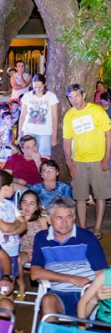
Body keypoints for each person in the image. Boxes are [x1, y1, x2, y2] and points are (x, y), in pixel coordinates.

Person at [31, 196, 107, 319]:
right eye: (59, 218)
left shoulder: (87, 238)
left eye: (69, 217)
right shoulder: (42, 238)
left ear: (74, 218)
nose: (65, 223)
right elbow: (35, 273)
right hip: (60, 294)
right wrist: (73, 279)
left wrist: (92, 292)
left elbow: (101, 273)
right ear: (49, 220)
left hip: (88, 293)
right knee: (47, 301)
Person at [62, 83, 111, 237]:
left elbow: (108, 135)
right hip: (79, 161)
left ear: (83, 95)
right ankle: (82, 228)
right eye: (70, 97)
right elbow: (67, 141)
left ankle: (97, 228)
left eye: (76, 96)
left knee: (100, 195)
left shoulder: (97, 110)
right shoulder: (69, 115)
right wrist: (69, 163)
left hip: (98, 159)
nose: (74, 100)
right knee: (80, 196)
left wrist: (106, 158)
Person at [0, 171, 27, 298]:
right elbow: (5, 227)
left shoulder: (11, 204)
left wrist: (13, 228)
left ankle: (8, 315)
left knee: (9, 287)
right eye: (12, 185)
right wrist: (15, 225)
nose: (13, 189)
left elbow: (23, 225)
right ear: (4, 187)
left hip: (13, 250)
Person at [17, 190, 48, 300]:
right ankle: (21, 286)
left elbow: (46, 241)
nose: (27, 206)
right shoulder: (16, 219)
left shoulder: (42, 220)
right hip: (25, 252)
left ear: (37, 206)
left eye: (31, 203)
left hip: (39, 253)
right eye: (24, 202)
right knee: (16, 259)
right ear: (20, 204)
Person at [18, 74, 59, 157]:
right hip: (28, 130)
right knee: (28, 157)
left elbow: (54, 118)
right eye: (35, 87)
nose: (37, 89)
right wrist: (20, 134)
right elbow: (22, 116)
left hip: (45, 132)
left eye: (40, 87)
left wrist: (54, 136)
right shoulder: (27, 96)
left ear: (44, 85)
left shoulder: (51, 96)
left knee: (44, 157)